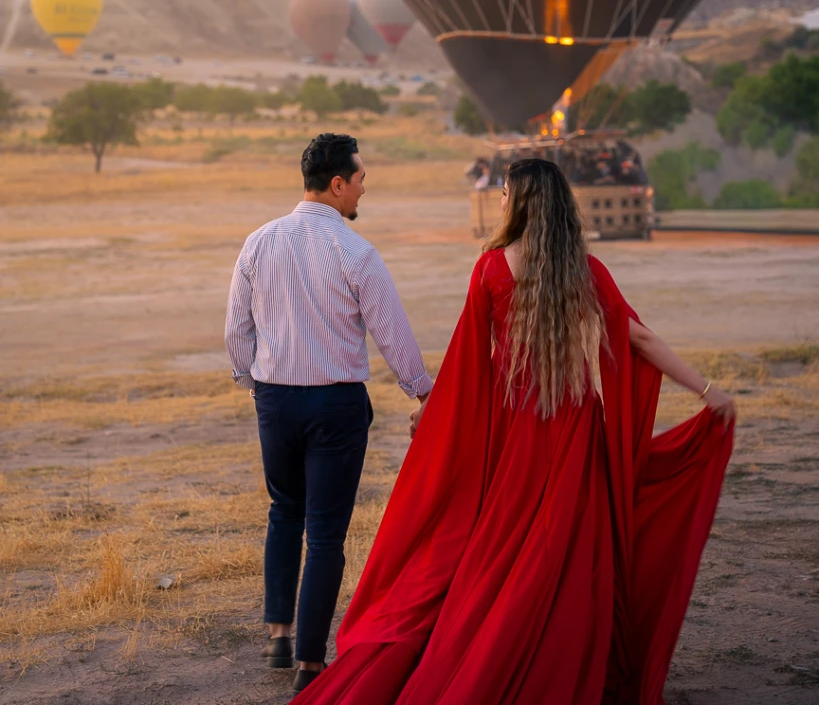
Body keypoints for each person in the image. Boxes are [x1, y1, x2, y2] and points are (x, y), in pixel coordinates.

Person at [297, 158, 735, 705]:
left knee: (504, 546)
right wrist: (706, 390)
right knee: (571, 551)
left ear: (521, 203)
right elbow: (641, 341)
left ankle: (501, 639)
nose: (501, 201)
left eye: (505, 193)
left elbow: (466, 366)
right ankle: (565, 654)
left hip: (514, 431)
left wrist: (434, 417)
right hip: (575, 426)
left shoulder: (490, 270)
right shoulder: (586, 270)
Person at [225, 133, 433, 695]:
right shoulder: (356, 252)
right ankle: (311, 665)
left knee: (283, 510)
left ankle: (278, 635)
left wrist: (257, 386)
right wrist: (423, 394)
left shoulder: (259, 241)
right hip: (336, 403)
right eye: (361, 178)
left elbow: (236, 330)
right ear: (338, 184)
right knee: (324, 534)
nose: (366, 186)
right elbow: (392, 333)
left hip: (276, 399)